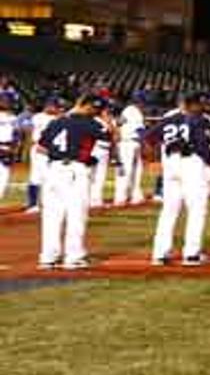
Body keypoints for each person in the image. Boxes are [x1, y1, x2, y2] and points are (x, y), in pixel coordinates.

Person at [38, 93, 109, 270]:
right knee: (76, 214)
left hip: (53, 170)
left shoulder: (56, 122)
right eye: (95, 109)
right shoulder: (90, 123)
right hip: (75, 171)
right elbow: (112, 138)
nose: (96, 112)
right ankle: (73, 257)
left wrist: (60, 155)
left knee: (52, 216)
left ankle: (48, 257)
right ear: (85, 105)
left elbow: (40, 148)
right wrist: (107, 119)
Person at [151, 91, 210, 266]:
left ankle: (160, 254)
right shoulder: (198, 120)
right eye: (201, 104)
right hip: (192, 164)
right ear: (192, 104)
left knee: (169, 210)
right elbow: (202, 147)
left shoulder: (168, 119)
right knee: (197, 210)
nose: (203, 107)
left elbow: (148, 137)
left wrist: (155, 158)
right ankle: (191, 254)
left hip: (171, 165)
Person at [25, 94, 61, 214]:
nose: (56, 108)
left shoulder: (58, 118)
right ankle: (32, 204)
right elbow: (32, 135)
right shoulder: (38, 117)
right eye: (53, 105)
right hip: (39, 150)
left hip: (52, 151)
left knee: (51, 178)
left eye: (56, 105)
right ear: (47, 106)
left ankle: (47, 203)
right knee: (36, 177)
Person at [113, 93, 147, 206]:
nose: (143, 104)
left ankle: (135, 195)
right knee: (126, 171)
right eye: (142, 101)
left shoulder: (128, 110)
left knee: (136, 170)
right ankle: (120, 198)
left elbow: (118, 123)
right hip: (128, 143)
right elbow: (140, 131)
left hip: (131, 142)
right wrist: (146, 144)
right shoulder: (134, 111)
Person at [0, 90, 25, 206]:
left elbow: (18, 136)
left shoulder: (15, 119)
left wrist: (15, 149)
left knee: (3, 179)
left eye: (8, 101)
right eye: (4, 100)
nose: (6, 103)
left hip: (7, 150)